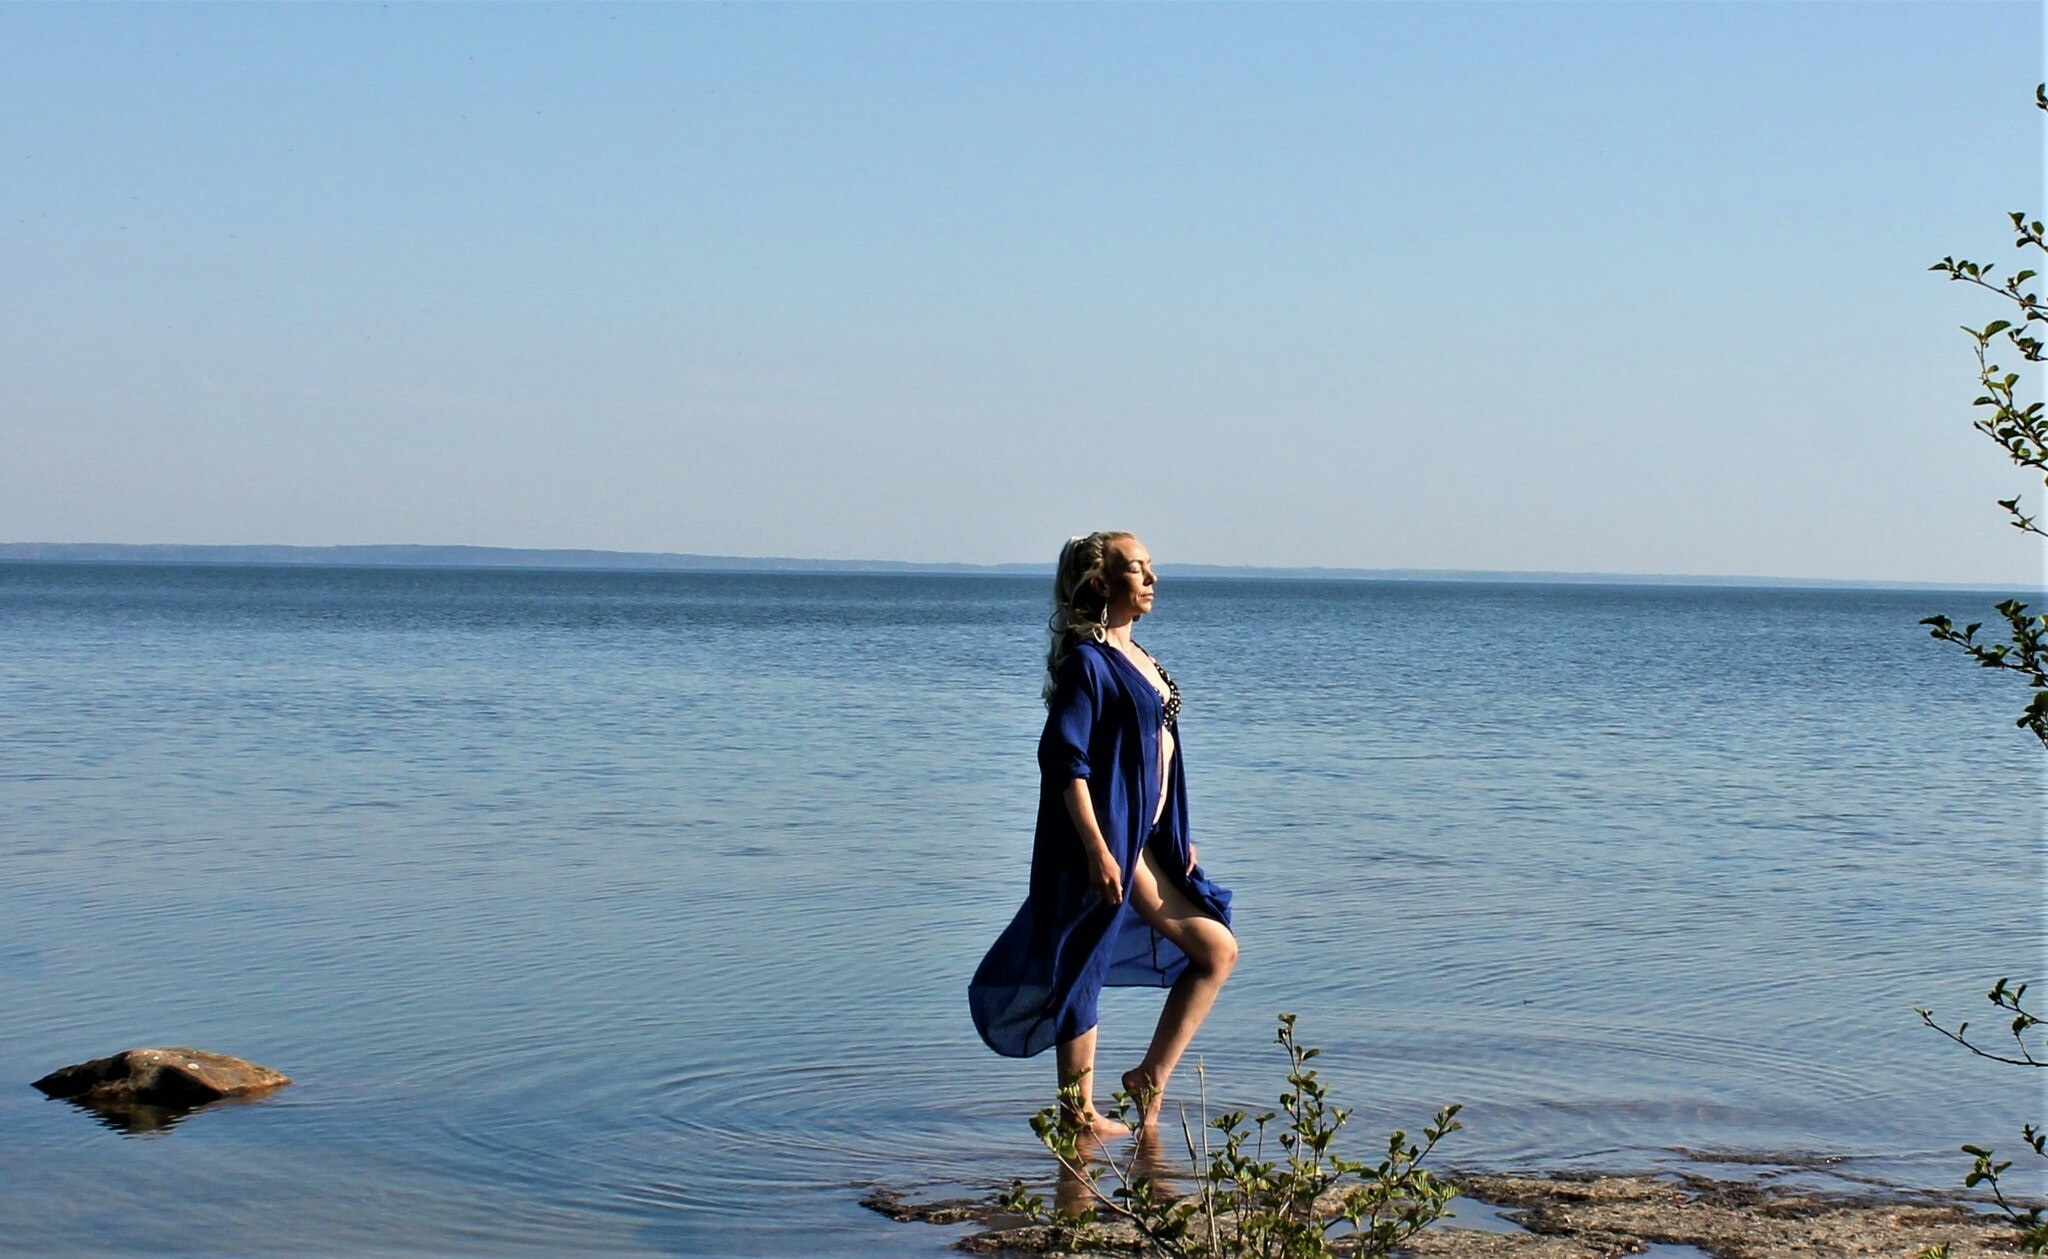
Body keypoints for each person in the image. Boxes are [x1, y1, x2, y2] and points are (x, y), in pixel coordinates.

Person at [969, 531, 1237, 1138]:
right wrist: (1095, 848)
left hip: (1142, 838)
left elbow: (1158, 751)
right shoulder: (1088, 663)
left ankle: (1149, 1078)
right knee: (1083, 960)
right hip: (1106, 840)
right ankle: (1077, 1114)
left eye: (1150, 568)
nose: (1151, 579)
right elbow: (1065, 760)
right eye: (1137, 569)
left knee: (1216, 950)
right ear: (1100, 583)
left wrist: (1174, 830)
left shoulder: (1137, 655)